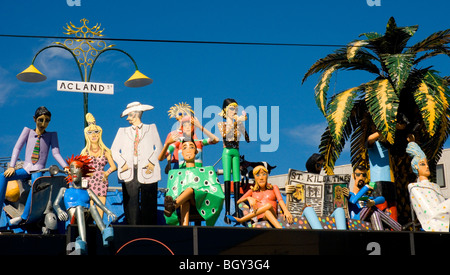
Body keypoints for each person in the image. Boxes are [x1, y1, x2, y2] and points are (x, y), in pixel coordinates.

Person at [2, 106, 68, 225]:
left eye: (47, 120)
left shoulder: (51, 136)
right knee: (3, 177)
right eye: (40, 120)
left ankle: (24, 217)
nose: (43, 123)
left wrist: (65, 166)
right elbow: (17, 148)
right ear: (34, 119)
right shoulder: (27, 132)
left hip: (38, 169)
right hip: (26, 168)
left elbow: (56, 153)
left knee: (36, 184)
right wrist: (12, 166)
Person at [111, 102, 162, 225]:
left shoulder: (151, 128)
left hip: (147, 169)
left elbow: (159, 148)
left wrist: (151, 162)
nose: (128, 118)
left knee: (149, 201)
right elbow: (114, 150)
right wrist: (123, 163)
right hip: (128, 170)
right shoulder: (122, 131)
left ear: (135, 114)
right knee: (130, 202)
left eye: (129, 115)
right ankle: (132, 227)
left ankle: (149, 229)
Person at [53, 155, 116, 253]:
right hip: (74, 217)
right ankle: (83, 241)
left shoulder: (88, 191)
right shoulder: (64, 190)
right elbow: (55, 204)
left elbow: (99, 204)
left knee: (93, 207)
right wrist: (59, 210)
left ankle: (104, 232)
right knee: (79, 208)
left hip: (87, 217)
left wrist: (108, 212)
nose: (74, 171)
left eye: (77, 168)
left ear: (82, 173)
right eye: (72, 168)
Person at [164, 140, 224, 226]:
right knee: (185, 199)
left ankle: (173, 206)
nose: (188, 150)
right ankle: (184, 227)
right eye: (185, 148)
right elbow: (172, 192)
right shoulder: (175, 174)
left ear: (196, 151)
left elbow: (216, 191)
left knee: (190, 190)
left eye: (191, 147)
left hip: (201, 201)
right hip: (184, 202)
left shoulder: (207, 171)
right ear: (182, 153)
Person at [226, 165, 293, 228]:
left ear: (267, 176)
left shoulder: (274, 187)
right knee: (267, 212)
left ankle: (241, 220)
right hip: (260, 218)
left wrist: (286, 211)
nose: (261, 178)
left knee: (268, 206)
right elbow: (238, 202)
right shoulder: (252, 191)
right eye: (257, 175)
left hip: (273, 214)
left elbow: (280, 200)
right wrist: (249, 198)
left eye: (264, 174)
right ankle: (280, 230)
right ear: (255, 178)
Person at [406, 137, 450, 232]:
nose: (426, 166)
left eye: (427, 164)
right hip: (434, 220)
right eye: (422, 164)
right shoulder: (415, 187)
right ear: (416, 167)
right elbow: (428, 212)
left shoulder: (436, 186)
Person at [218, 98, 250, 223]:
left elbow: (247, 138)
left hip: (236, 151)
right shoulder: (222, 124)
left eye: (235, 109)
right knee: (227, 179)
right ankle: (227, 212)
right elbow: (225, 135)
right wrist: (235, 122)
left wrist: (242, 124)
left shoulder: (239, 124)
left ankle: (236, 209)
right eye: (231, 108)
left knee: (236, 179)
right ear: (225, 110)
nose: (234, 111)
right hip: (227, 152)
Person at [81, 113, 117, 218]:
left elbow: (113, 166)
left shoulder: (105, 151)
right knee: (90, 206)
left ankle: (99, 229)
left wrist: (106, 173)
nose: (93, 135)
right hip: (89, 181)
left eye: (96, 132)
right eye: (90, 132)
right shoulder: (85, 152)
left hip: (101, 181)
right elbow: (80, 166)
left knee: (101, 206)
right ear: (87, 135)